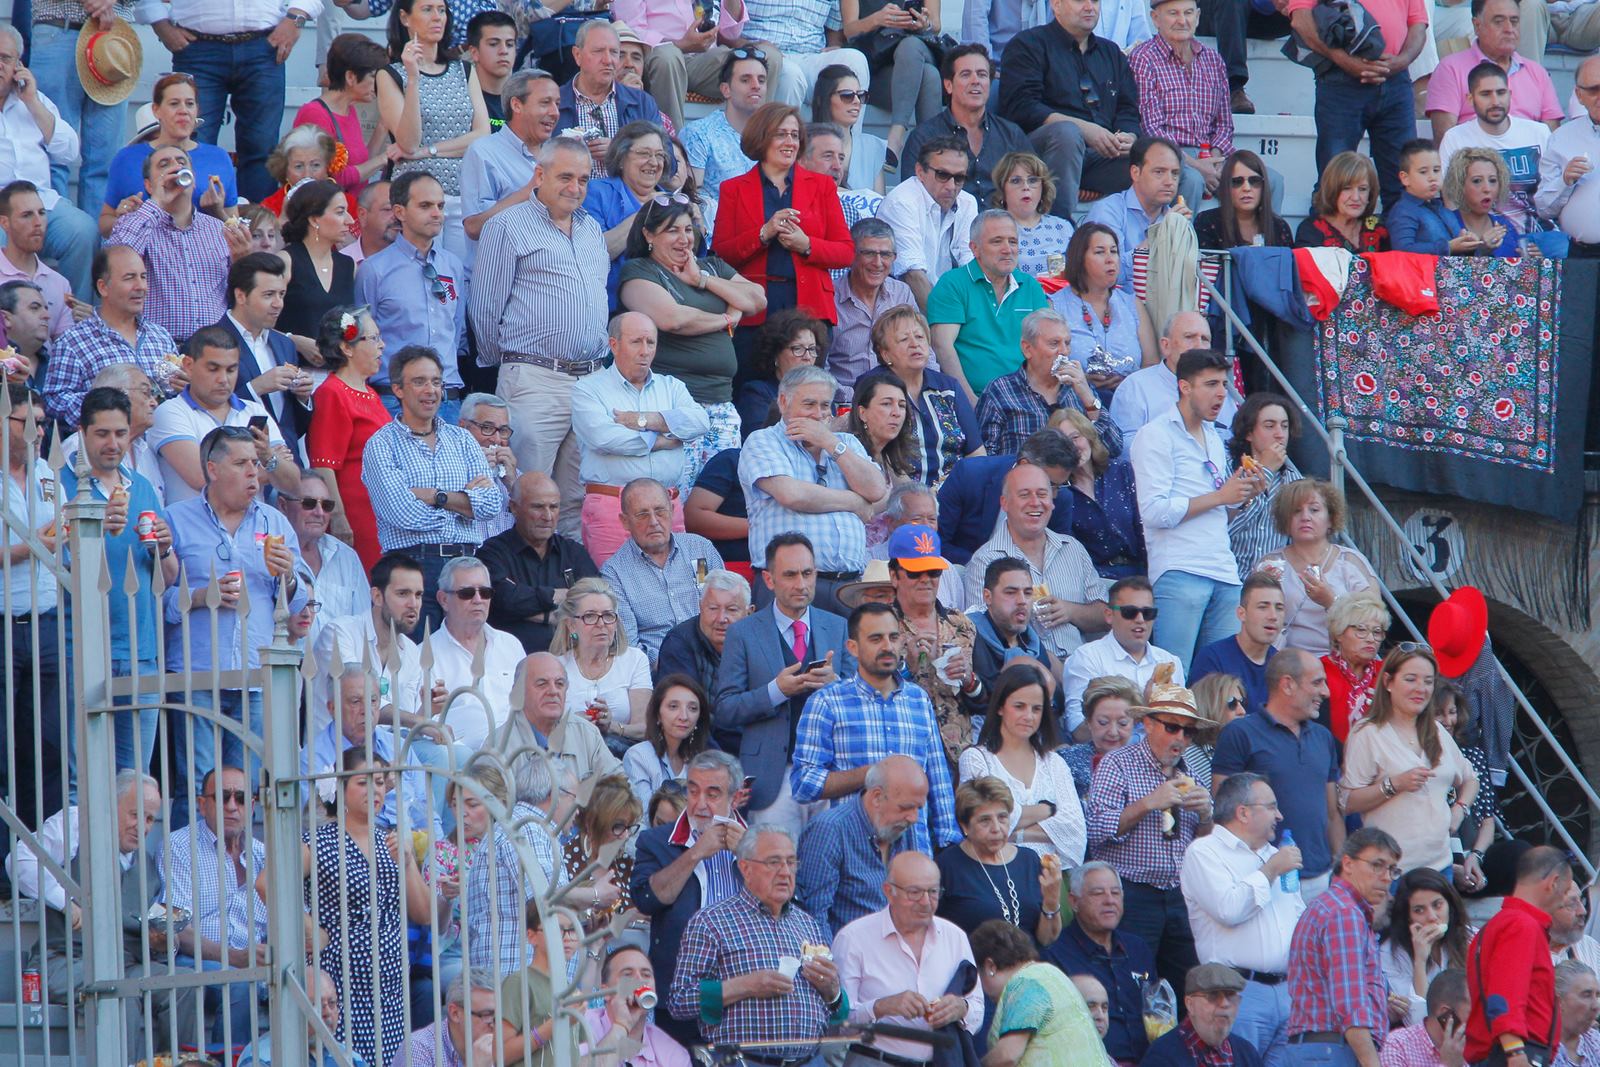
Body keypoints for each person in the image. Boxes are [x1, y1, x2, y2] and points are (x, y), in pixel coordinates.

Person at [470, 137, 611, 540]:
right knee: (525, 492)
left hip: (589, 382)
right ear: (539, 175)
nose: (575, 187)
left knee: (573, 501)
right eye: (565, 177)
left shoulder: (591, 229)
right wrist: (513, 363)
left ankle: (566, 595)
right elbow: (484, 309)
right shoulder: (506, 225)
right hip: (534, 378)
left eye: (583, 179)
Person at [260, 749, 437, 1066]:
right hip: (341, 985)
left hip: (390, 987)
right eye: (363, 782)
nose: (375, 790)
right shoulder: (319, 840)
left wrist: (408, 862)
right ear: (340, 789)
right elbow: (267, 882)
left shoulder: (390, 840)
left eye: (380, 782)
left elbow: (424, 913)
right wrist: (309, 927)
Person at [165, 426, 309, 800]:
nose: (254, 473)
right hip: (197, 676)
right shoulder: (176, 519)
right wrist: (199, 596)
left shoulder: (274, 522)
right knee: (198, 787)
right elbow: (153, 601)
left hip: (256, 678)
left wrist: (289, 575)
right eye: (242, 463)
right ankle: (194, 860)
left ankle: (235, 859)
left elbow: (300, 601)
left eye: (256, 463)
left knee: (243, 793)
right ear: (213, 469)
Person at [10, 771, 175, 1057]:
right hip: (65, 960)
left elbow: (151, 926)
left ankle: (179, 1063)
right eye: (135, 815)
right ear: (110, 806)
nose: (143, 827)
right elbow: (20, 861)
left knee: (182, 984)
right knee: (121, 992)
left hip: (127, 963)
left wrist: (161, 944)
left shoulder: (147, 864)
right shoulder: (78, 824)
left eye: (150, 819)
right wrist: (65, 902)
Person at [56, 387, 176, 773]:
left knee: (136, 779)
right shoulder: (59, 483)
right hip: (83, 648)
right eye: (102, 434)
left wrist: (164, 549)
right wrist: (94, 530)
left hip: (142, 651)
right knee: (82, 775)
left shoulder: (140, 486)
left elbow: (170, 578)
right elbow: (54, 565)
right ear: (82, 432)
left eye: (121, 434)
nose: (113, 444)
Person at [668, 825, 850, 1062]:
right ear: (746, 868)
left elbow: (840, 1014)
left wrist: (833, 991)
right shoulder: (711, 922)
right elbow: (679, 1001)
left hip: (809, 1060)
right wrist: (745, 985)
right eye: (774, 862)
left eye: (791, 862)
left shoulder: (809, 925)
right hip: (745, 1061)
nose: (785, 872)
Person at [619, 194, 767, 485]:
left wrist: (702, 280)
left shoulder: (712, 267)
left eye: (688, 229)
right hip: (674, 409)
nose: (683, 239)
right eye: (672, 230)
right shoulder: (640, 271)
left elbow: (757, 299)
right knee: (677, 494)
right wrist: (727, 318)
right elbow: (674, 319)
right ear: (648, 234)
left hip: (722, 406)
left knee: (719, 495)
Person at [361, 344, 507, 634]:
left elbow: (492, 505)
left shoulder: (463, 440)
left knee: (464, 663)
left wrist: (433, 496)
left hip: (466, 564)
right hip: (413, 568)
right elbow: (402, 513)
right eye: (419, 382)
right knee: (417, 665)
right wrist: (464, 506)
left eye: (437, 382)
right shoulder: (381, 444)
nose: (431, 390)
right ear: (398, 390)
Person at [713, 531, 853, 828]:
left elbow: (860, 700)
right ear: (769, 580)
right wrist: (775, 691)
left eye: (807, 573)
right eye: (790, 575)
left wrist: (835, 687)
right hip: (772, 781)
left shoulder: (837, 626)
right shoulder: (743, 632)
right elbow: (725, 708)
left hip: (832, 775)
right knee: (773, 868)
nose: (801, 584)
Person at [789, 603, 956, 850]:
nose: (887, 646)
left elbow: (938, 780)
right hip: (852, 854)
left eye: (893, 637)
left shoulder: (918, 700)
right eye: (876, 638)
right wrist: (872, 774)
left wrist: (948, 842)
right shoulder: (827, 702)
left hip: (914, 853)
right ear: (852, 647)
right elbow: (804, 784)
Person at [1133, 349, 1259, 671]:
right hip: (1180, 571)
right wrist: (1220, 496)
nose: (1221, 394)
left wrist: (1241, 496)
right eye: (1211, 384)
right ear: (1185, 387)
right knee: (1174, 681)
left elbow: (1218, 512)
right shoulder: (1155, 434)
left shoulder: (1215, 438)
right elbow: (1155, 512)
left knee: (1219, 686)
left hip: (1225, 573)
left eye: (1224, 384)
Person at [1084, 670, 1210, 994]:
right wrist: (1147, 804)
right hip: (1132, 894)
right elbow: (1095, 829)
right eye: (1172, 727)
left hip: (1179, 895)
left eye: (1188, 731)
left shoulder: (1190, 771)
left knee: (1188, 987)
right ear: (1149, 724)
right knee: (1132, 987)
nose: (1180, 738)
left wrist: (1207, 816)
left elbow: (1202, 845)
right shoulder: (1118, 763)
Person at [1180, 773, 1306, 1067]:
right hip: (1236, 994)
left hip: (1287, 992)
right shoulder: (1204, 852)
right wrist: (1271, 870)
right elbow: (1229, 909)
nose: (1280, 815)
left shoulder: (1276, 855)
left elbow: (1298, 917)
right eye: (1272, 807)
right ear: (1243, 812)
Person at [739, 366, 887, 608]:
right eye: (809, 405)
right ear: (784, 402)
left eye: (825, 406)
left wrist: (830, 442)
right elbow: (792, 495)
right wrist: (855, 503)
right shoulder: (763, 440)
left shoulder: (845, 443)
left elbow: (876, 490)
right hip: (789, 584)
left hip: (848, 585)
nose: (818, 415)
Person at [631, 749, 750, 1050]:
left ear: (735, 799)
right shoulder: (656, 841)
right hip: (679, 995)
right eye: (693, 791)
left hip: (744, 995)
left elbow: (782, 905)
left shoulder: (759, 843)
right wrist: (695, 853)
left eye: (713, 794)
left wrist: (749, 856)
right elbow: (647, 899)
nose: (699, 804)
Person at [144, 0, 317, 201]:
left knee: (262, 149)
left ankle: (256, 228)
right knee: (192, 144)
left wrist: (296, 18)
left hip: (265, 44)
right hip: (196, 47)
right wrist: (159, 23)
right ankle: (191, 228)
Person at [712, 103, 854, 346]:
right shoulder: (733, 189)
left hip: (811, 309)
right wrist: (763, 234)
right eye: (781, 134)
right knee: (753, 384)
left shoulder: (823, 186)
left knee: (807, 383)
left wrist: (807, 244)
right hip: (754, 309)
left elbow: (846, 252)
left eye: (795, 135)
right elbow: (721, 255)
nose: (790, 142)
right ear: (761, 137)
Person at [572, 319, 711, 565]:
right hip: (613, 508)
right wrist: (662, 439)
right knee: (613, 594)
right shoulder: (588, 389)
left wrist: (645, 420)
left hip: (667, 506)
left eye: (651, 342)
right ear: (614, 345)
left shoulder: (672, 386)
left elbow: (700, 422)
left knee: (675, 587)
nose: (645, 350)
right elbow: (604, 438)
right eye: (636, 341)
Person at [1212, 648, 1343, 900]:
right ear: (1287, 684)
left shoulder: (1323, 738)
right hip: (1263, 877)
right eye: (1317, 682)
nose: (1326, 692)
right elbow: (1224, 814)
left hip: (1321, 878)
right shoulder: (1240, 733)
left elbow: (1332, 812)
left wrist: (1340, 870)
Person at [833, 850, 984, 1064]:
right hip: (875, 1060)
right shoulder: (854, 938)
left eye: (933, 892)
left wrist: (961, 1008)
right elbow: (839, 1023)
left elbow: (977, 1006)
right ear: (888, 891)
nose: (925, 902)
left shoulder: (955, 936)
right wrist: (882, 1006)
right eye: (914, 892)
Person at [995, 0, 1143, 217]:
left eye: (1094, 1)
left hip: (1101, 158)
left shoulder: (1111, 53)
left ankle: (1163, 240)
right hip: (1042, 155)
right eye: (1079, 1)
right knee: (1068, 133)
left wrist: (1128, 136)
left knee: (1163, 158)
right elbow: (1021, 106)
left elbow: (1128, 109)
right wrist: (1086, 130)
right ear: (1056, 5)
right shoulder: (1028, 44)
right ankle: (1058, 229)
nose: (1089, 7)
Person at [1340, 646, 1478, 877]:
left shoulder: (1437, 730)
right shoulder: (1367, 733)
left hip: (1440, 866)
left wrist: (1460, 810)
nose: (1420, 689)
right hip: (1391, 872)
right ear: (1388, 682)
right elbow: (1347, 801)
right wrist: (1393, 785)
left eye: (1428, 681)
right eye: (1410, 679)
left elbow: (1471, 778)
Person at [160, 765, 269, 1047]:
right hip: (195, 962)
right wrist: (232, 958)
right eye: (222, 797)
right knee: (240, 984)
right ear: (202, 804)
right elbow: (177, 927)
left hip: (253, 967)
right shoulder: (179, 846)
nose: (232, 806)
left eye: (241, 798)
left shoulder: (263, 855)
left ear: (253, 806)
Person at [375, 0, 491, 261]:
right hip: (417, 198)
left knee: (462, 277)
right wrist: (413, 78)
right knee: (420, 272)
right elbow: (408, 142)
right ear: (405, 18)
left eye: (441, 10)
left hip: (464, 193)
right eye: (427, 9)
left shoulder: (464, 69)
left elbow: (482, 134)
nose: (437, 17)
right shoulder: (389, 74)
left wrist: (430, 150)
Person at [1288, 0, 1427, 212]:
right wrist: (1343, 60)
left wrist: (1402, 61)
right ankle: (1327, 244)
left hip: (1395, 79)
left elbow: (1418, 24)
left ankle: (1402, 244)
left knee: (1403, 182)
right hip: (1341, 79)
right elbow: (1300, 19)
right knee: (1334, 180)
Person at [108, 144, 251, 345]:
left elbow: (242, 297)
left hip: (214, 350)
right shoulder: (137, 223)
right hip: (158, 348)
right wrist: (158, 201)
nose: (175, 168)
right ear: (148, 185)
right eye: (164, 165)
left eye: (181, 162)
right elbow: (116, 260)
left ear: (193, 179)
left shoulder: (219, 229)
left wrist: (242, 261)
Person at [965, 462, 1110, 660]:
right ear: (1004, 503)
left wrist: (1070, 611)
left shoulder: (1073, 549)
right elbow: (982, 633)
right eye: (1024, 495)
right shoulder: (986, 560)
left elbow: (1105, 614)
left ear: (1052, 501)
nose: (1035, 502)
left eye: (1042, 494)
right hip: (1026, 674)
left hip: (1083, 666)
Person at [1285, 827, 1404, 1067]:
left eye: (1392, 869)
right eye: (1377, 865)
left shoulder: (1333, 906)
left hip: (1320, 1048)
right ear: (1348, 864)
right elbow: (1349, 1003)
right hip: (1332, 1050)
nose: (1386, 877)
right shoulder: (1345, 914)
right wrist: (1372, 1063)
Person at [355, 170, 469, 419]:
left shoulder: (453, 266)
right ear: (400, 212)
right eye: (425, 206)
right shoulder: (374, 270)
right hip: (393, 399)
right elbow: (361, 339)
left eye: (440, 205)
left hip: (446, 398)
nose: (437, 213)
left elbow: (457, 330)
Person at [145, 327, 295, 506]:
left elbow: (292, 482)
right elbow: (202, 477)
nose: (223, 379)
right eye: (213, 369)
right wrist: (269, 464)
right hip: (194, 530)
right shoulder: (169, 412)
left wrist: (265, 458)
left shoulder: (255, 411)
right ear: (188, 366)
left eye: (231, 370)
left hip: (253, 529)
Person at [958, 662, 1088, 866]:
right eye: (1019, 706)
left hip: (1052, 877)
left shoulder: (1054, 763)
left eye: (1036, 709)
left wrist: (1015, 833)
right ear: (1000, 706)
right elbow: (982, 823)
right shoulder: (976, 759)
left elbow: (1075, 831)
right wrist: (1048, 811)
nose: (1029, 716)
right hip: (998, 872)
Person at [795, 753, 931, 938]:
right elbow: (813, 917)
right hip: (847, 959)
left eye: (918, 809)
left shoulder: (902, 828)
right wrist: (832, 964)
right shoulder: (830, 830)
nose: (913, 818)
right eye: (905, 807)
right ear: (876, 797)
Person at [43, 245, 181, 428]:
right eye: (129, 278)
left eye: (143, 277)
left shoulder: (161, 337)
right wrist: (110, 402)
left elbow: (176, 397)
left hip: (162, 446)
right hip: (109, 448)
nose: (140, 286)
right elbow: (54, 402)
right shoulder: (73, 342)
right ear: (103, 287)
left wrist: (185, 389)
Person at [926, 209, 1051, 403]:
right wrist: (971, 403)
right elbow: (942, 347)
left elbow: (1045, 347)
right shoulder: (952, 284)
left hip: (1026, 398)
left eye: (1013, 241)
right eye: (996, 241)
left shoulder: (1031, 286)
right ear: (974, 249)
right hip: (974, 398)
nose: (1007, 249)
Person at [1464, 847, 1572, 1067]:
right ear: (1553, 882)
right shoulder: (1521, 925)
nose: (1564, 900)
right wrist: (1515, 1052)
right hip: (1513, 1055)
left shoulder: (1500, 924)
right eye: (1566, 890)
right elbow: (1504, 992)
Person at [1044, 861, 1159, 1062]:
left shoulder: (1138, 948)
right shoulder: (1056, 955)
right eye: (1098, 894)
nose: (1109, 900)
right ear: (1073, 901)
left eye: (1115, 893)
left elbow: (1156, 1010)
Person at [100, 72, 239, 237]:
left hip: (202, 257)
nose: (183, 111)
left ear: (197, 110)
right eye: (174, 104)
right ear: (156, 110)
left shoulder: (219, 158)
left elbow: (236, 228)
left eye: (189, 104)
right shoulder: (126, 158)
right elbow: (104, 224)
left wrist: (217, 212)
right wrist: (122, 217)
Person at [601, 477, 724, 662]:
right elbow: (630, 648)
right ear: (625, 522)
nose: (654, 522)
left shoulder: (701, 549)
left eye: (660, 511)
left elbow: (731, 610)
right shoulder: (615, 573)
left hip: (717, 660)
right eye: (642, 514)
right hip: (662, 673)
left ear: (673, 511)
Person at [1128, 0, 1235, 211]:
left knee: (1270, 180)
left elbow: (1225, 124)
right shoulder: (1143, 58)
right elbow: (1151, 128)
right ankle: (1179, 243)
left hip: (1211, 155)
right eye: (1173, 13)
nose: (1182, 20)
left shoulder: (1213, 60)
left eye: (1188, 13)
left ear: (1198, 16)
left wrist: (1214, 161)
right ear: (1155, 19)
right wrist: (1196, 165)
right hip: (1168, 153)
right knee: (1193, 180)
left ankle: (1258, 244)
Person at [480, 470, 600, 654]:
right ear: (514, 507)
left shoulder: (572, 552)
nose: (548, 516)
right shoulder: (493, 552)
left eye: (554, 507)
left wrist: (526, 607)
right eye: (538, 507)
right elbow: (503, 602)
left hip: (571, 659)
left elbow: (595, 602)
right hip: (511, 662)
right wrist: (556, 597)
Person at [306, 305, 389, 568]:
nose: (382, 345)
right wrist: (339, 517)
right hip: (357, 515)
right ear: (347, 347)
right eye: (374, 338)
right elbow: (323, 463)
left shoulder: (370, 392)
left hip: (380, 511)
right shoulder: (332, 392)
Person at [901, 44, 1032, 211]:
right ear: (948, 85)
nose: (975, 81)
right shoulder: (924, 136)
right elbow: (911, 197)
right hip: (948, 230)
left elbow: (1035, 184)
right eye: (965, 74)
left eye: (982, 75)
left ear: (990, 84)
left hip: (1005, 230)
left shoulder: (1012, 134)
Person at [1255, 480, 1378, 657]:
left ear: (1331, 519)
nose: (1305, 517)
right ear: (1285, 520)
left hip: (1341, 663)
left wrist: (1331, 602)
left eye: (1314, 510)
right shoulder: (1270, 563)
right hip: (1284, 663)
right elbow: (1250, 617)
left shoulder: (1352, 561)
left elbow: (1375, 624)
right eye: (1296, 511)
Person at [936, 777, 1064, 946]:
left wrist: (1051, 899)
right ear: (964, 826)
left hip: (1029, 966)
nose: (996, 828)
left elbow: (1047, 939)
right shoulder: (946, 866)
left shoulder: (1029, 860)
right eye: (985, 820)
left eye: (1002, 817)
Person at [615, 0, 776, 134]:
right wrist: (681, 45)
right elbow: (632, 32)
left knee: (767, 56)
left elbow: (731, 33)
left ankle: (755, 141)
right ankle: (673, 152)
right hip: (661, 58)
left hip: (705, 60)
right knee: (668, 56)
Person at [972, 917, 1106, 1066]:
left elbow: (1008, 1055)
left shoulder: (1024, 984)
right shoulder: (1050, 974)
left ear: (990, 967)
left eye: (978, 975)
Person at [1437, 63, 1550, 237]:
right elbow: (1451, 200)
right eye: (1485, 94)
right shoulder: (1455, 138)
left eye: (1501, 92)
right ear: (1470, 98)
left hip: (1540, 235)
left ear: (1510, 94)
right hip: (1484, 239)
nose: (1495, 102)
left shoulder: (1539, 133)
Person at [1051, 223, 1158, 405]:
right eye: (1100, 252)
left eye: (1114, 251)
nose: (1111, 259)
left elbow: (1152, 365)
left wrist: (1128, 383)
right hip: (1074, 407)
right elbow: (1045, 368)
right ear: (1080, 259)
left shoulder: (1133, 304)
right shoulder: (1055, 306)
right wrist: (1081, 380)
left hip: (1130, 403)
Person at [1424, 0, 1563, 141]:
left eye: (1514, 21)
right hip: (1473, 159)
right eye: (1499, 22)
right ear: (1477, 26)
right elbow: (1445, 140)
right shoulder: (1450, 69)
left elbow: (1553, 140)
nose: (1509, 29)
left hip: (1529, 160)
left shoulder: (1537, 72)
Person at [1063, 575, 1184, 733]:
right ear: (1109, 615)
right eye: (1130, 612)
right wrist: (1145, 710)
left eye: (1148, 613)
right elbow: (1077, 731)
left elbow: (1181, 726)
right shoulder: (1087, 658)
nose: (1140, 619)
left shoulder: (1170, 661)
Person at [218, 252, 308, 462]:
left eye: (282, 294)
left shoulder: (284, 344)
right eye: (268, 295)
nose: (279, 304)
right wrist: (256, 387)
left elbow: (293, 424)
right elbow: (208, 409)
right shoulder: (211, 341)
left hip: (289, 465)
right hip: (241, 465)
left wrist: (303, 398)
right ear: (241, 296)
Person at [429, 556, 525, 749]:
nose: (478, 600)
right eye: (467, 593)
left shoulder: (510, 644)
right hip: (465, 764)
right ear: (443, 600)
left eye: (485, 592)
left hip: (521, 753)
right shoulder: (425, 655)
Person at [549, 577, 654, 752]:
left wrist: (611, 726)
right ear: (571, 625)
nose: (601, 624)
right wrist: (573, 723)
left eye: (607, 616)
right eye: (590, 616)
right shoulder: (556, 667)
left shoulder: (634, 660)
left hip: (623, 757)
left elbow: (645, 729)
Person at [460, 69, 561, 249]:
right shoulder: (483, 152)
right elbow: (473, 227)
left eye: (557, 104)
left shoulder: (558, 154)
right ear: (516, 105)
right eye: (545, 103)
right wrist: (530, 191)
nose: (555, 112)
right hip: (502, 272)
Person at [877, 134, 980, 311]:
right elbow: (913, 276)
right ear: (920, 172)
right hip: (902, 310)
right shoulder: (901, 202)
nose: (951, 186)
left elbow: (972, 266)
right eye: (942, 175)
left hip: (950, 306)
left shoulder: (968, 202)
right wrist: (943, 324)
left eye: (959, 178)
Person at [556, 21, 667, 181]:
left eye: (614, 52)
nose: (608, 60)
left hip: (628, 200)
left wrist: (621, 151)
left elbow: (668, 161)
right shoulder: (555, 102)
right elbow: (537, 159)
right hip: (572, 198)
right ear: (577, 55)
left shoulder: (642, 102)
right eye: (598, 51)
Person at [1083, 136, 1190, 297]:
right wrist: (1160, 234)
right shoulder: (1108, 211)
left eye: (1175, 173)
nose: (1170, 181)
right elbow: (1106, 274)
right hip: (1117, 310)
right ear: (1135, 173)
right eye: (1159, 172)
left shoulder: (1176, 219)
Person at [498, 649, 625, 782]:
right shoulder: (498, 748)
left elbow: (622, 787)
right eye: (542, 684)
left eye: (559, 684)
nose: (553, 691)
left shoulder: (586, 733)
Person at [583, 120, 672, 303]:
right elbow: (596, 252)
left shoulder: (671, 200)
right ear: (622, 158)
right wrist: (645, 212)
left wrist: (696, 227)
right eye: (644, 154)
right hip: (614, 305)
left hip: (668, 301)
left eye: (660, 155)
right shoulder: (596, 192)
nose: (654, 162)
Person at [828, 218, 917, 397]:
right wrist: (858, 399)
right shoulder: (829, 297)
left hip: (899, 399)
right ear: (851, 255)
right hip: (845, 402)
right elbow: (819, 367)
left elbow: (922, 350)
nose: (877, 263)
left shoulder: (901, 293)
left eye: (885, 255)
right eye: (868, 253)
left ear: (894, 258)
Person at [294, 33, 391, 194]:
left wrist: (383, 126)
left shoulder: (349, 109)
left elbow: (361, 166)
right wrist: (382, 159)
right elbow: (331, 177)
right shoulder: (314, 114)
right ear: (351, 77)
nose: (379, 84)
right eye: (374, 76)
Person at [279, 470, 369, 639]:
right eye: (309, 503)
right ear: (283, 506)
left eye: (327, 505)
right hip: (284, 662)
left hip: (341, 664)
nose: (319, 512)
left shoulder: (347, 558)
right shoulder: (272, 555)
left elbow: (363, 624)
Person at [275, 180, 358, 362]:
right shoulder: (287, 261)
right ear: (314, 219)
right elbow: (255, 322)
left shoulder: (348, 266)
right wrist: (293, 340)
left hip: (339, 375)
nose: (350, 220)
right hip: (294, 374)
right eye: (340, 212)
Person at [1106, 310, 1220, 441]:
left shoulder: (1221, 389)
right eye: (1189, 337)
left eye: (1205, 339)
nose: (1199, 346)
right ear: (1166, 346)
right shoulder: (1135, 387)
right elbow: (1124, 448)